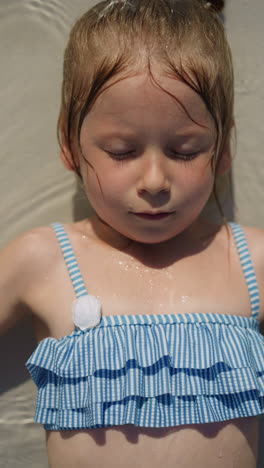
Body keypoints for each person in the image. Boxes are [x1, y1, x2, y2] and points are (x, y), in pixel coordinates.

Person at [1, 0, 263, 467]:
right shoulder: (44, 260)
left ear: (222, 151)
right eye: (122, 151)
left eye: (185, 151)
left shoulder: (250, 260)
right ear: (69, 145)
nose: (155, 181)